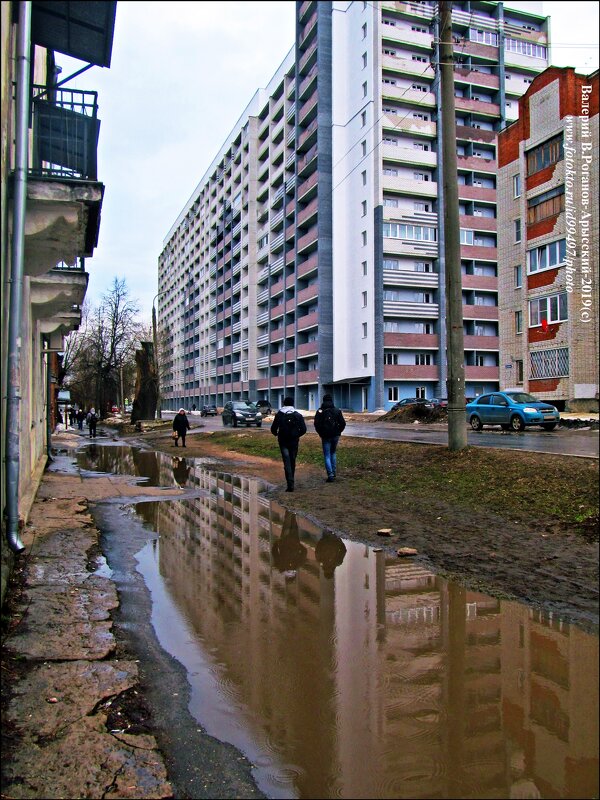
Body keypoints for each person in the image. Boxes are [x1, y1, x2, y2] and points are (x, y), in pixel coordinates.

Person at [270, 395, 306, 492]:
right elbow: (304, 429)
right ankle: (292, 479)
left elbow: (273, 428)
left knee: (286, 462)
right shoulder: (297, 415)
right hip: (294, 441)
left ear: (284, 403)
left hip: (283, 441)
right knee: (292, 460)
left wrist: (276, 434)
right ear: (293, 404)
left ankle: (290, 484)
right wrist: (297, 435)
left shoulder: (279, 414)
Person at [313, 393, 346, 482]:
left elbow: (316, 424)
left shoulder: (320, 411)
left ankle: (330, 475)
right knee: (333, 453)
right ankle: (334, 472)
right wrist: (339, 431)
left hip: (325, 436)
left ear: (323, 401)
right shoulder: (337, 410)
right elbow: (343, 423)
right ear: (331, 400)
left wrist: (320, 433)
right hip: (335, 435)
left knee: (327, 455)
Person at [271, 510, 307, 579]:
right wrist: (277, 543)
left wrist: (299, 545)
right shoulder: (280, 565)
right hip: (284, 541)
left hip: (294, 542)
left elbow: (304, 552)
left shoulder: (298, 564)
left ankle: (291, 512)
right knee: (287, 525)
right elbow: (274, 552)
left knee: (293, 526)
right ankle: (290, 511)